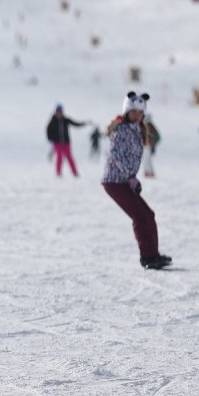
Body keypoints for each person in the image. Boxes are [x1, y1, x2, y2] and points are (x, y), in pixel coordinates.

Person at [102, 92, 172, 270]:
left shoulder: (137, 130)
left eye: (141, 113)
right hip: (114, 182)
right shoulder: (121, 129)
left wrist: (132, 178)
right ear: (127, 111)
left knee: (149, 214)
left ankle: (154, 254)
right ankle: (147, 257)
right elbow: (116, 155)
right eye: (134, 112)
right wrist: (131, 177)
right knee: (139, 216)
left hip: (124, 181)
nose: (138, 116)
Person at [46, 104, 87, 177]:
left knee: (69, 157)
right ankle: (58, 173)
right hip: (57, 143)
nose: (59, 113)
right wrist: (51, 139)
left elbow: (75, 123)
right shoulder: (53, 121)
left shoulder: (65, 120)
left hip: (66, 143)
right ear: (55, 112)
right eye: (58, 111)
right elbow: (48, 130)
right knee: (59, 157)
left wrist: (83, 124)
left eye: (60, 111)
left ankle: (75, 172)